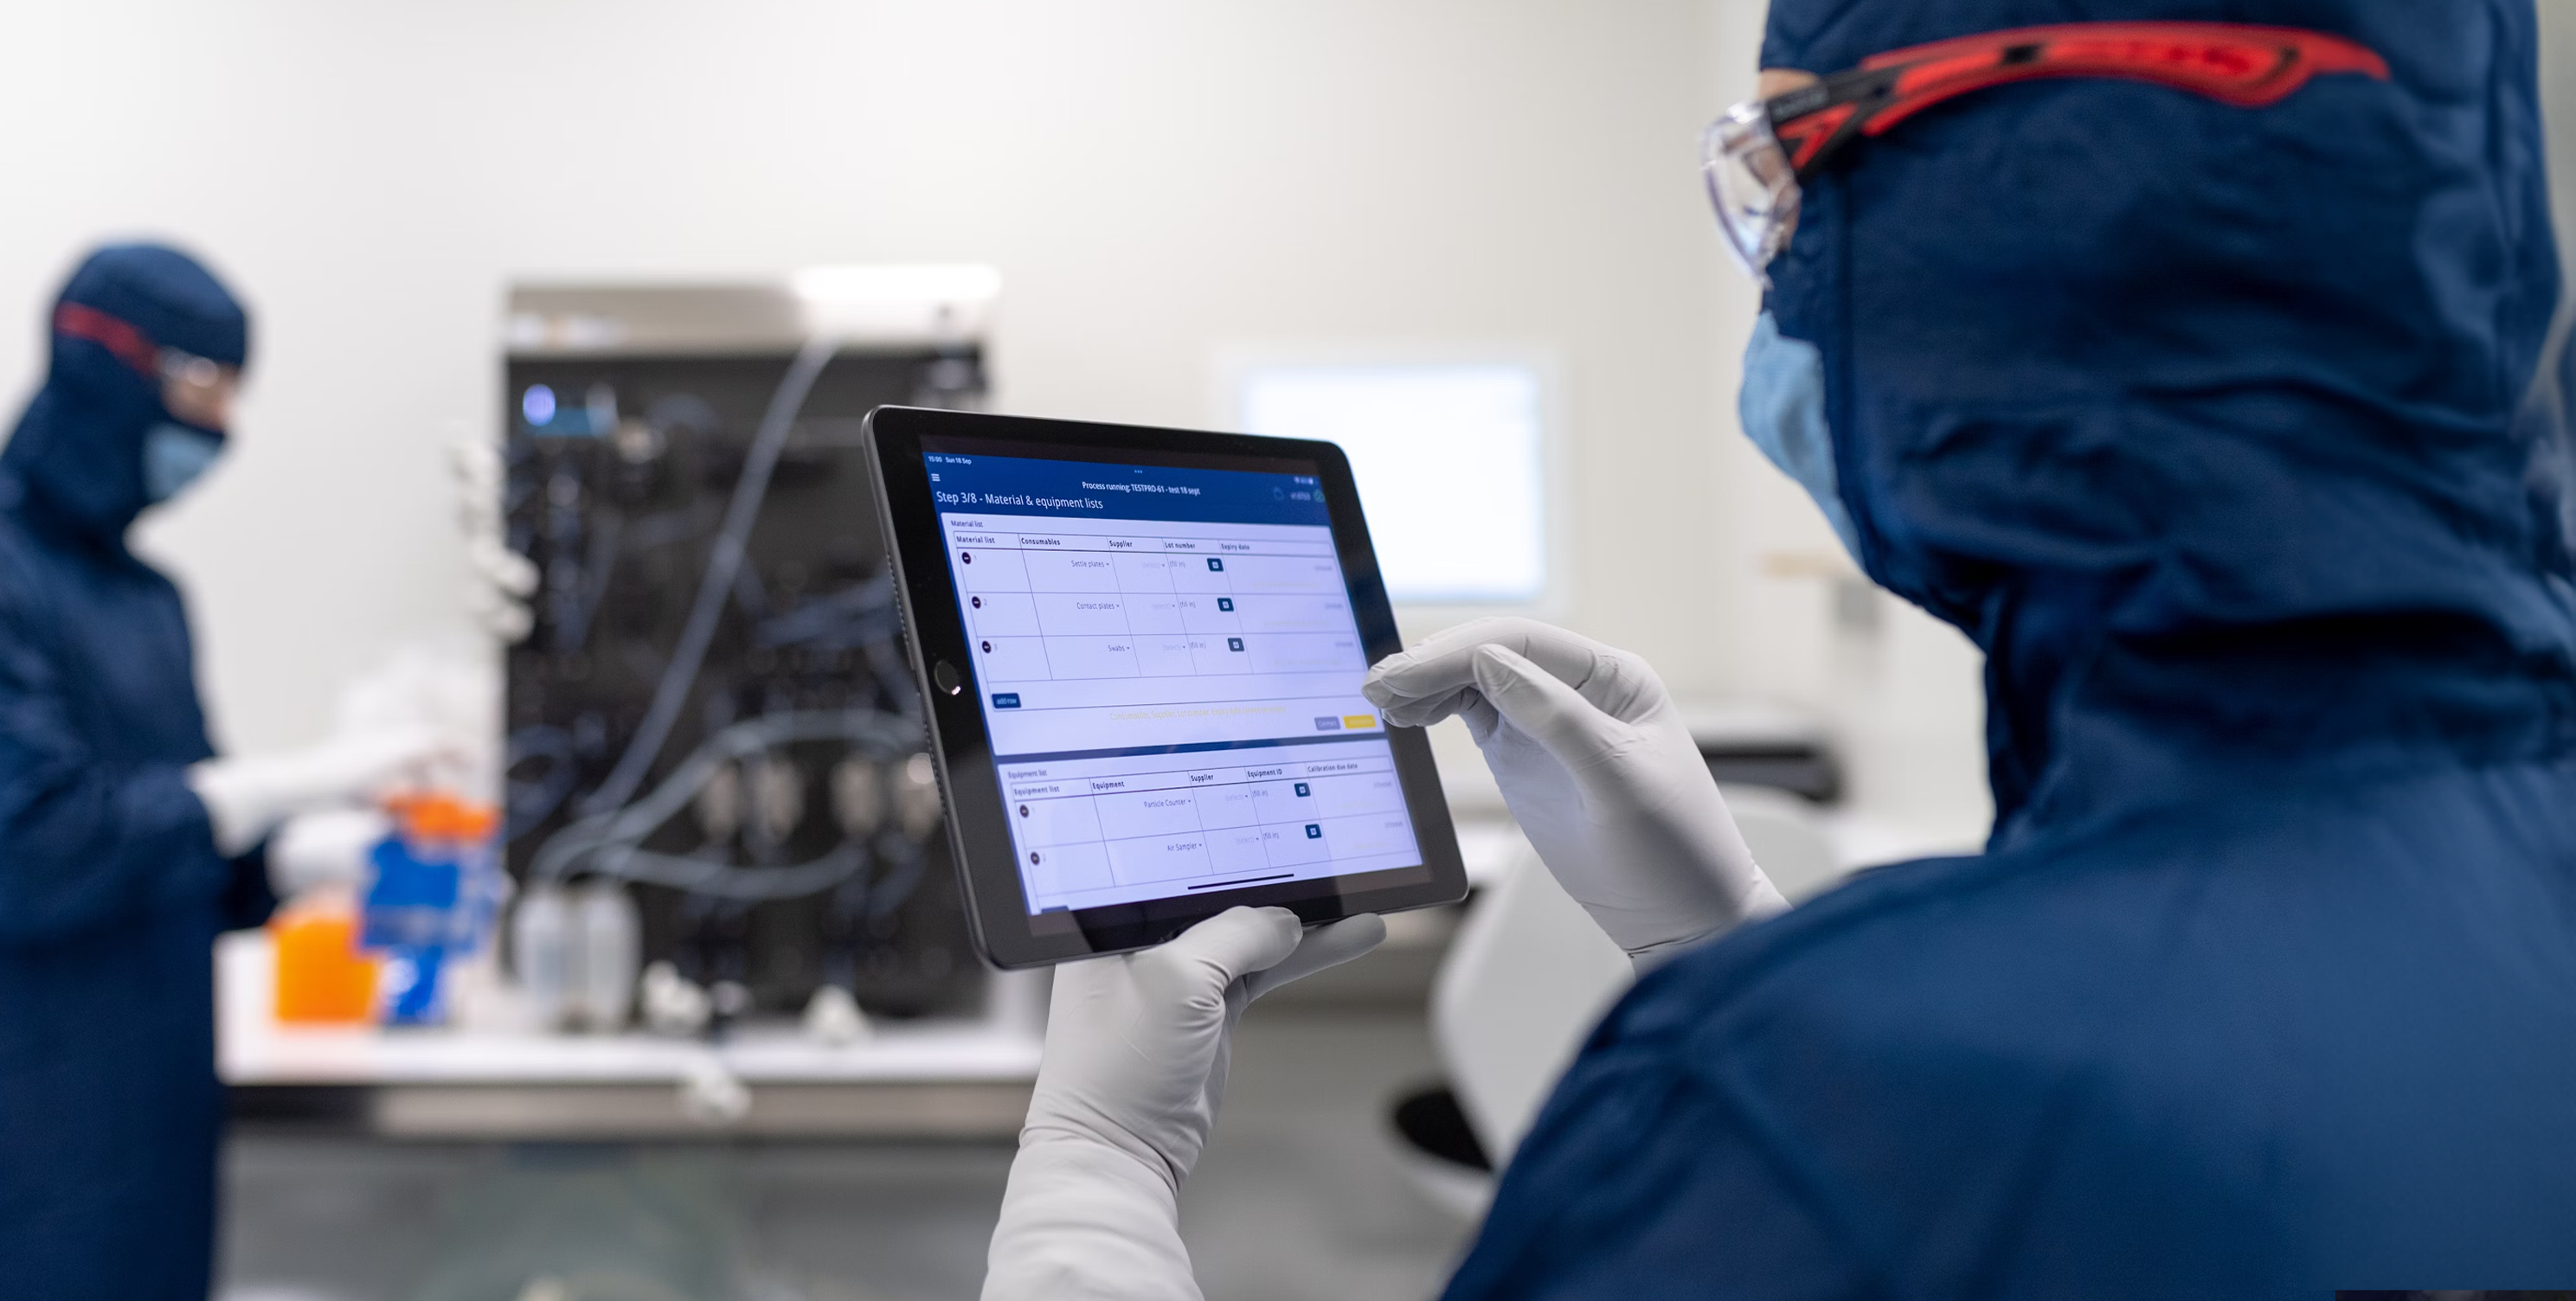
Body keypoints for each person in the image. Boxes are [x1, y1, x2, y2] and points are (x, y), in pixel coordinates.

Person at [985, 3, 2576, 1296]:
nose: (1776, 287)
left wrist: (1095, 1175)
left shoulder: (1831, 1111)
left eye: (1791, 186)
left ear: (2017, 218)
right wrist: (1732, 939)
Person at [0, 243, 434, 1300]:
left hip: (147, 1139)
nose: (220, 428)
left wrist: (321, 854)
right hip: (10, 1152)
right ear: (106, 363)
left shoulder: (145, 604)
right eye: (202, 387)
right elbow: (28, 858)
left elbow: (181, 848)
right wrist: (283, 783)